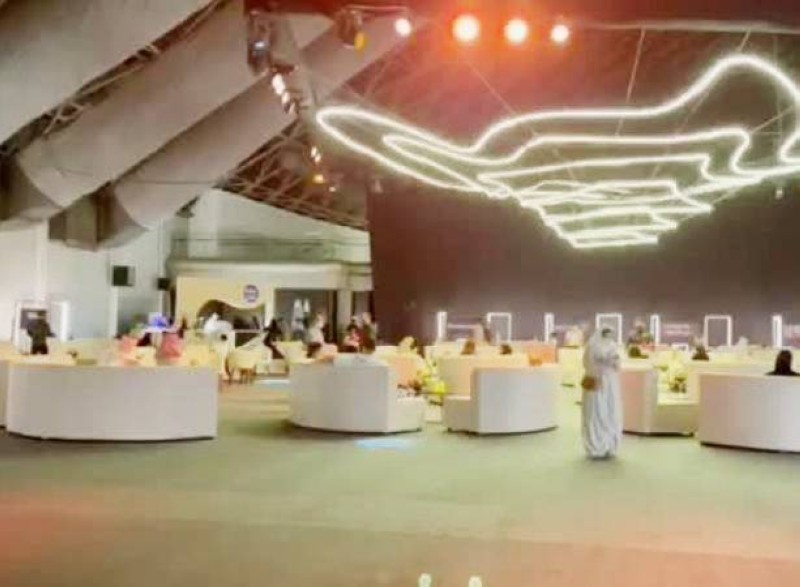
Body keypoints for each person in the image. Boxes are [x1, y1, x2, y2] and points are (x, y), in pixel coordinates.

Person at [581, 328, 623, 459]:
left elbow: (618, 364)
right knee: (595, 411)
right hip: (596, 382)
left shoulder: (613, 345)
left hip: (610, 383)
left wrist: (614, 361)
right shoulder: (592, 345)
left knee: (610, 410)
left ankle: (610, 445)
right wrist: (598, 369)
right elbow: (588, 363)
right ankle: (595, 446)